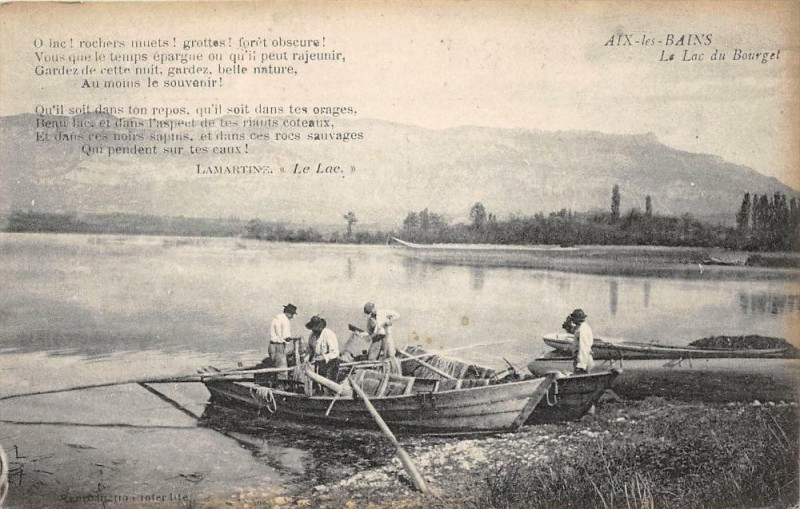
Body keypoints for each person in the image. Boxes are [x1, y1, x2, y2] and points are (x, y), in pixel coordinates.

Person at [363, 302, 401, 372]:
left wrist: (390, 321)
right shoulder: (370, 319)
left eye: (372, 309)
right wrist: (367, 336)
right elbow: (368, 330)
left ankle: (392, 372)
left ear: (374, 308)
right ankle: (372, 371)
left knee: (391, 354)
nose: (372, 312)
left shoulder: (383, 312)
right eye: (369, 312)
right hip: (377, 338)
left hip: (387, 336)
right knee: (372, 356)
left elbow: (397, 315)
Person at [268, 303, 300, 380]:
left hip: (271, 346)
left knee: (275, 367)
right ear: (289, 313)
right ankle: (281, 387)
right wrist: (295, 338)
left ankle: (275, 384)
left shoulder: (276, 318)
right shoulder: (285, 320)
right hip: (279, 346)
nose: (292, 317)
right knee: (282, 370)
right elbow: (286, 337)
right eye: (292, 314)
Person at [305, 315, 340, 381]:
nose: (314, 331)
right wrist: (307, 357)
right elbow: (310, 349)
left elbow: (334, 353)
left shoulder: (329, 334)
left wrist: (324, 357)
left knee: (328, 383)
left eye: (316, 330)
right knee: (317, 381)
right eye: (313, 329)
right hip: (319, 363)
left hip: (331, 363)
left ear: (320, 327)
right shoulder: (312, 335)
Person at [569, 308, 594, 374]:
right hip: (584, 359)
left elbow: (583, 347)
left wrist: (581, 365)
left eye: (573, 318)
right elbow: (573, 330)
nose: (572, 320)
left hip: (583, 361)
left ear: (577, 319)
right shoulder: (584, 327)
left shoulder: (582, 330)